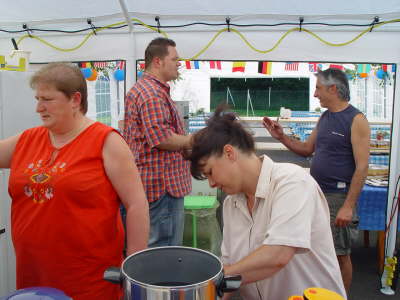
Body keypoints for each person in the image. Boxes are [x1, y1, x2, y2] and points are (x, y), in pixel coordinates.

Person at [0, 63, 149, 300]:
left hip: (88, 277)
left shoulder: (105, 141)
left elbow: (137, 205)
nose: (39, 107)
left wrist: (134, 268)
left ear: (75, 100)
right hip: (33, 273)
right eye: (37, 98)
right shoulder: (27, 139)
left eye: (47, 99)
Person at [188, 106, 347, 300]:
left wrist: (213, 280)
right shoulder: (232, 204)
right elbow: (232, 270)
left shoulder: (291, 182)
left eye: (210, 172)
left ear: (229, 153)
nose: (212, 184)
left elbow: (277, 255)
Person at [263, 68, 370, 294]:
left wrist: (348, 206)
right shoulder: (325, 117)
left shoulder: (357, 119)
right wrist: (281, 137)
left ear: (333, 89)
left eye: (318, 88)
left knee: (340, 255)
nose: (315, 94)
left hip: (336, 198)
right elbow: (306, 149)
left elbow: (362, 167)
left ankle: (339, 297)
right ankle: (319, 294)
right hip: (314, 192)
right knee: (316, 252)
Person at [124, 37, 192, 247]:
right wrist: (194, 140)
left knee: (152, 249)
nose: (178, 63)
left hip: (153, 187)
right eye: (174, 59)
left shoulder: (146, 89)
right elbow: (162, 138)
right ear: (158, 61)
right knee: (163, 252)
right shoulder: (152, 94)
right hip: (162, 190)